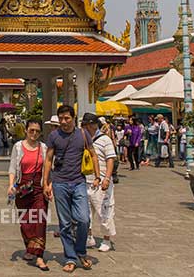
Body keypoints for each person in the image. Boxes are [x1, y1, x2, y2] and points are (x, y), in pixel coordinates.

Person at [43, 105, 99, 273]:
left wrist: (97, 176)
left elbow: (93, 154)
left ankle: (80, 250)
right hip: (60, 182)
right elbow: (48, 159)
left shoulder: (83, 135)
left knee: (83, 219)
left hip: (78, 181)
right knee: (65, 224)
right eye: (61, 119)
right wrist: (46, 182)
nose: (64, 122)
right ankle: (71, 257)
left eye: (67, 118)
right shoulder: (54, 135)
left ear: (74, 118)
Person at [8, 119, 49, 271]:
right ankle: (30, 247)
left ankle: (39, 255)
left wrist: (48, 185)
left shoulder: (43, 148)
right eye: (31, 130)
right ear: (26, 130)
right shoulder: (18, 147)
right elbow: (13, 167)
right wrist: (11, 185)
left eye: (37, 131)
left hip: (38, 186)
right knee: (26, 221)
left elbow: (47, 169)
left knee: (39, 219)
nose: (34, 134)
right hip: (22, 187)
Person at [83, 114, 117, 253]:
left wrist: (107, 178)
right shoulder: (84, 140)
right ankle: (89, 236)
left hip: (102, 179)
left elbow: (110, 159)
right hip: (86, 180)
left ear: (93, 125)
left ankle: (106, 239)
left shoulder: (105, 139)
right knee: (86, 213)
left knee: (105, 210)